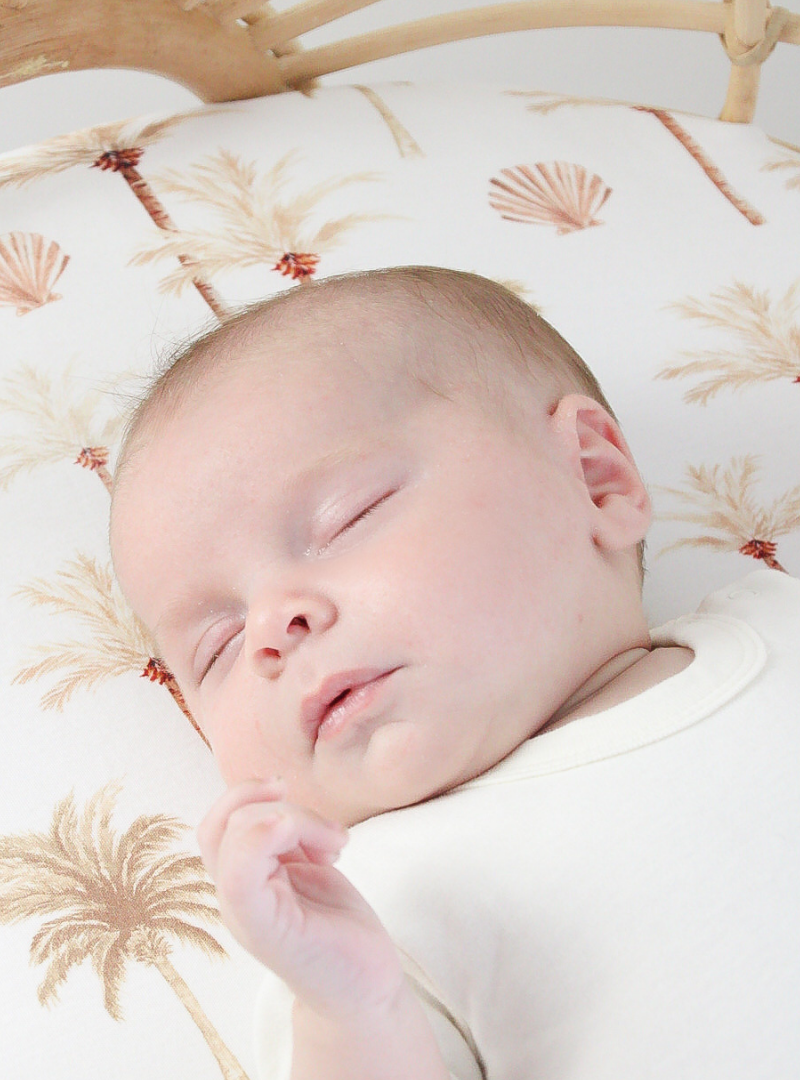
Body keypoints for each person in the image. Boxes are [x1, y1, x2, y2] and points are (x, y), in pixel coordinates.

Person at [108, 266, 800, 1080]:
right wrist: (354, 1013)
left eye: (346, 517)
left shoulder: (775, 621)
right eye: (217, 646)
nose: (270, 629)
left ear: (593, 476)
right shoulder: (369, 916)